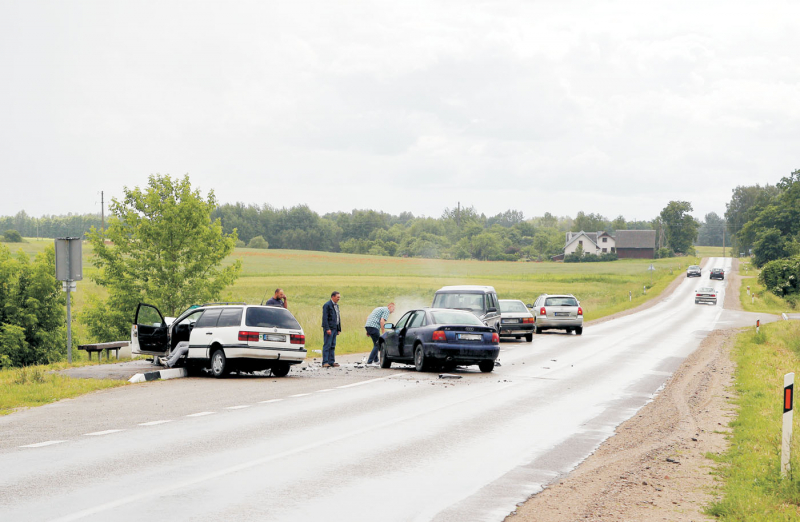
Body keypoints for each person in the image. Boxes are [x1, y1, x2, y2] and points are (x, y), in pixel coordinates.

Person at [321, 291, 342, 368]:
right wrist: (327, 328)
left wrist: (339, 328)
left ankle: (331, 361)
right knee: (327, 345)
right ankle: (325, 362)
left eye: (339, 297)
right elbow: (325, 318)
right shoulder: (327, 305)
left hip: (335, 328)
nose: (338, 299)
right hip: (329, 328)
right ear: (333, 297)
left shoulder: (336, 306)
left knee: (333, 345)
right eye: (337, 297)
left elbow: (338, 317)